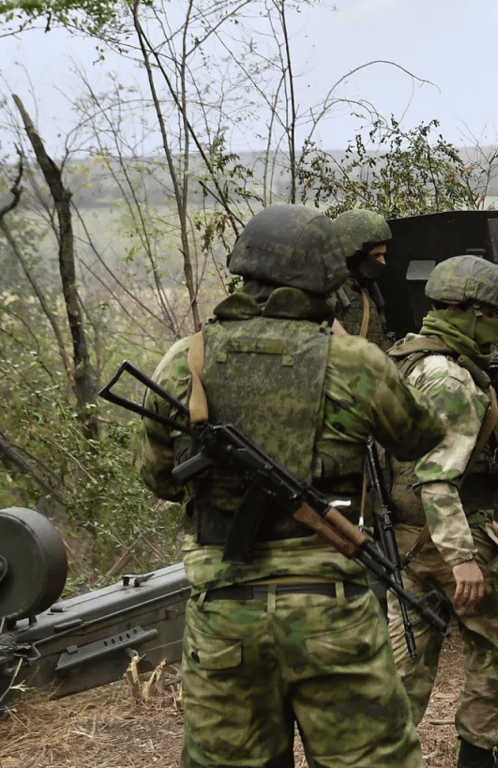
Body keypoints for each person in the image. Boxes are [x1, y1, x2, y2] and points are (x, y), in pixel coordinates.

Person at [136, 204, 446, 768]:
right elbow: (421, 436)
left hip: (224, 616)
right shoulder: (355, 362)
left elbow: (158, 477)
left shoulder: (188, 360)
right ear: (329, 282)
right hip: (331, 610)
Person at [385, 255, 498, 768]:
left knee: (407, 663)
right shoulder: (453, 380)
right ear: (469, 313)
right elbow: (437, 475)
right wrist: (464, 553)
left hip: (403, 538)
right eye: (495, 315)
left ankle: (379, 755)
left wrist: (483, 518)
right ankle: (477, 757)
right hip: (443, 541)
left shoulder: (407, 360)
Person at [331, 208, 394, 349]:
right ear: (354, 257)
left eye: (384, 254)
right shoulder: (331, 296)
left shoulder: (366, 289)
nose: (383, 262)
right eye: (376, 255)